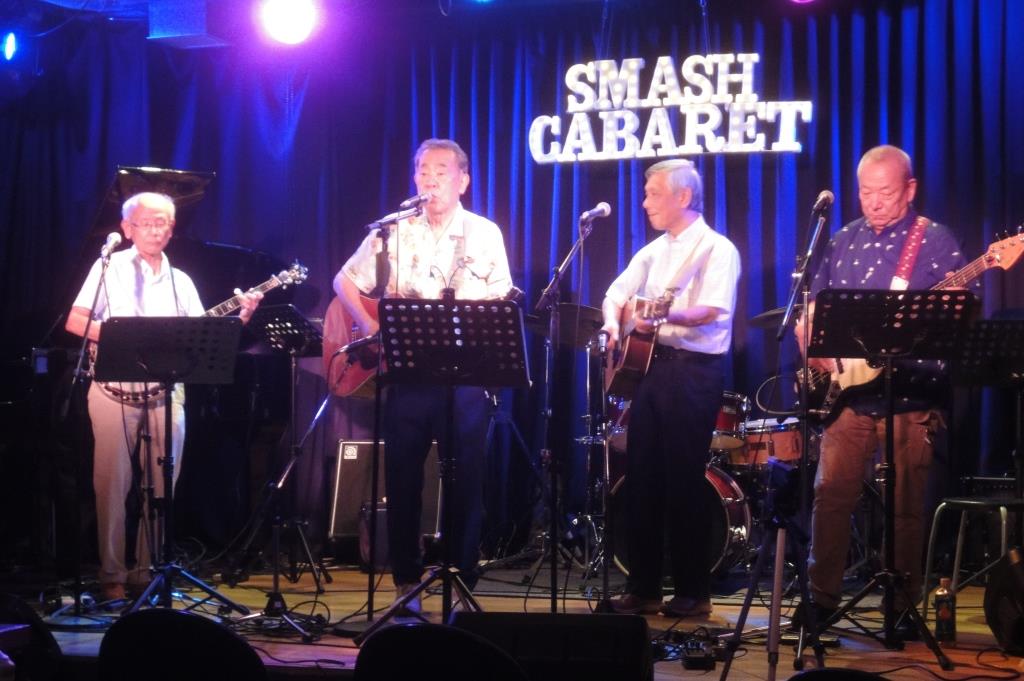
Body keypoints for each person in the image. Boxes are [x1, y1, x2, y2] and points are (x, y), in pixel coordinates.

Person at [795, 145, 975, 627]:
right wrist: (809, 335)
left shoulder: (933, 240)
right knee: (830, 493)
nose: (874, 202)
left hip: (911, 393)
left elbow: (961, 312)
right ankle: (820, 601)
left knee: (905, 504)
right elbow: (814, 304)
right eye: (866, 192)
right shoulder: (842, 239)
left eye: (886, 193)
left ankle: (902, 604)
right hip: (848, 395)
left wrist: (955, 303)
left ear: (910, 189)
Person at [333, 138, 512, 612]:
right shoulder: (393, 230)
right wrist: (370, 324)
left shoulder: (484, 232)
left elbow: (501, 295)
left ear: (463, 181)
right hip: (409, 367)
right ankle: (405, 582)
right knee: (403, 475)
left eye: (441, 171)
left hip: (466, 370)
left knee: (465, 476)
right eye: (422, 170)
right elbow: (344, 279)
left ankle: (461, 577)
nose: (430, 179)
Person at [65, 192, 263, 602]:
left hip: (166, 393)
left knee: (161, 487)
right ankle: (112, 576)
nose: (156, 230)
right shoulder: (108, 268)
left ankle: (147, 573)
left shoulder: (181, 280)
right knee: (111, 486)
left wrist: (241, 317)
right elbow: (75, 320)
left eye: (164, 223)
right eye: (147, 222)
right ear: (127, 228)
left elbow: (200, 337)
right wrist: (125, 340)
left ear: (172, 230)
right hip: (113, 392)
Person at [602, 159, 741, 617]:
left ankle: (693, 592)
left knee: (683, 479)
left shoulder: (717, 249)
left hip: (693, 372)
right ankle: (643, 587)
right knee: (642, 477)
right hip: (651, 371)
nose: (644, 203)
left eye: (653, 194)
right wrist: (613, 323)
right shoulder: (652, 252)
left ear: (683, 197)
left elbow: (711, 310)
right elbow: (615, 294)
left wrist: (657, 314)